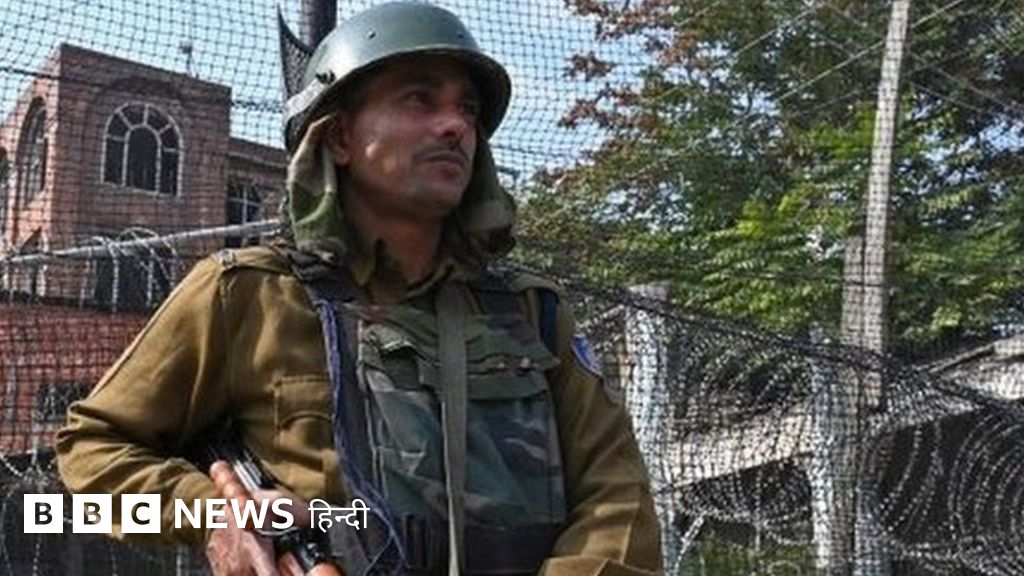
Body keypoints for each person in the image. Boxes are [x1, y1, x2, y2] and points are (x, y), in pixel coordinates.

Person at [56, 3, 662, 575]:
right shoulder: (246, 294)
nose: (455, 125)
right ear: (339, 138)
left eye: (468, 109)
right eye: (419, 99)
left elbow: (617, 500)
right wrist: (208, 517)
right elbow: (89, 460)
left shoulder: (534, 311)